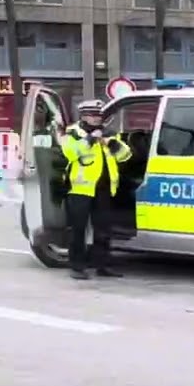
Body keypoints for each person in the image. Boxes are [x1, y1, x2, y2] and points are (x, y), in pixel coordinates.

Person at [60, 99, 131, 280]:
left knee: (103, 229)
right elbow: (71, 152)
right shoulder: (73, 133)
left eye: (99, 115)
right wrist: (90, 138)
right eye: (93, 115)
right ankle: (77, 266)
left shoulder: (108, 134)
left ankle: (103, 265)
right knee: (78, 229)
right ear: (83, 116)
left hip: (104, 189)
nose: (97, 119)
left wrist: (114, 145)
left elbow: (125, 156)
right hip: (81, 189)